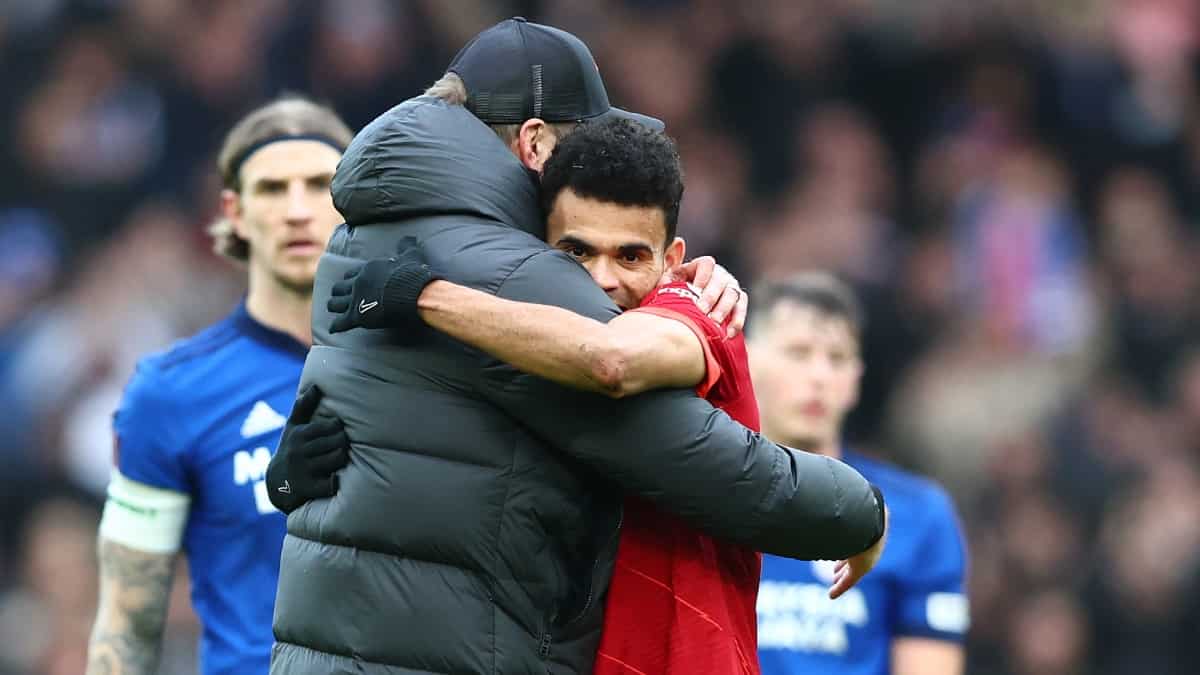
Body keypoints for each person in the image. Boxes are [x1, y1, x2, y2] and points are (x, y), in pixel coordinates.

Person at [266, 18, 886, 675]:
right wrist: (854, 510)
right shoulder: (517, 273)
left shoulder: (361, 237)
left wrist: (675, 290)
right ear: (534, 143)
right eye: (578, 143)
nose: (591, 170)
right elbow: (692, 454)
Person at [85, 97, 354, 675]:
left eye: (318, 185)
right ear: (234, 211)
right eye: (273, 189)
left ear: (352, 201)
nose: (298, 210)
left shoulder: (424, 367)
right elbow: (126, 624)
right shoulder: (168, 395)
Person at [747, 273, 969, 675]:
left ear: (854, 380)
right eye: (798, 353)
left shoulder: (919, 515)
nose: (819, 376)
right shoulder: (698, 497)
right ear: (745, 362)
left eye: (837, 358)